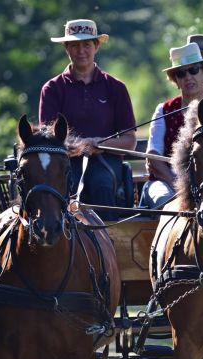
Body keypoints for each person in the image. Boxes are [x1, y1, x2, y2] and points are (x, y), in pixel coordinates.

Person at [39, 19, 137, 220]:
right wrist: (80, 146)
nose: (80, 50)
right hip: (64, 161)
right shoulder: (52, 89)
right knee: (68, 187)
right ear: (66, 48)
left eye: (86, 44)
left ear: (96, 46)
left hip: (106, 161)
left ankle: (109, 243)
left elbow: (130, 140)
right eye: (74, 45)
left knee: (101, 184)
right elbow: (47, 141)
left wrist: (100, 144)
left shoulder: (116, 88)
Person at [140, 42, 203, 209]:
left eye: (194, 70)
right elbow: (153, 156)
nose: (188, 77)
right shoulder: (163, 110)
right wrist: (180, 187)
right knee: (166, 202)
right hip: (168, 184)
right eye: (181, 73)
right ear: (176, 80)